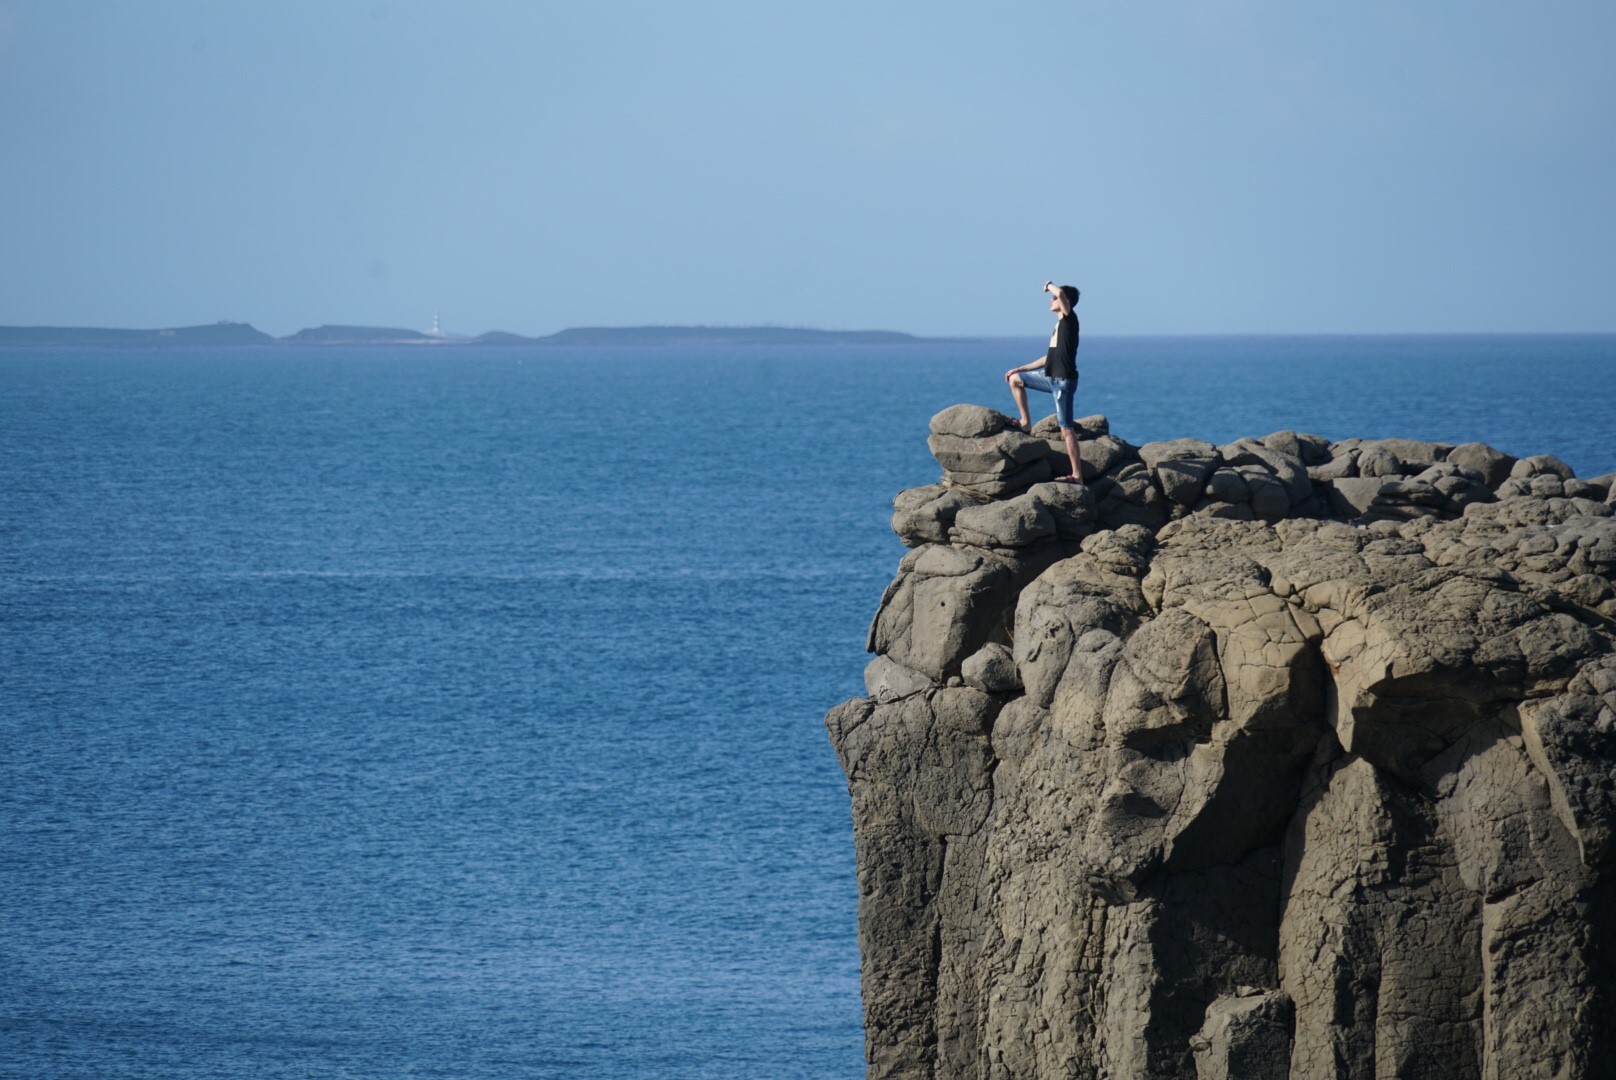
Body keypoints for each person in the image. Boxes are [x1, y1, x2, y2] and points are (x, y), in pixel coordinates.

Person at [1005, 282, 1083, 484]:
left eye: (1054, 298)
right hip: (1050, 378)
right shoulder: (1058, 327)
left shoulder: (1069, 320)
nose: (1051, 300)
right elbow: (1049, 358)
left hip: (1064, 382)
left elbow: (1062, 294)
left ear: (1065, 301)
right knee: (1015, 380)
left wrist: (1049, 285)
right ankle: (1025, 423)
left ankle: (1077, 476)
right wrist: (1021, 369)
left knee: (1066, 429)